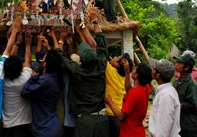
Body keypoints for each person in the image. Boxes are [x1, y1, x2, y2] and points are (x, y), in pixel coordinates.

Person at [56, 9, 109, 137]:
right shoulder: (101, 66)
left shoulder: (77, 71)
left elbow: (60, 57)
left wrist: (61, 39)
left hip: (84, 121)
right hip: (102, 119)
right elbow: (102, 44)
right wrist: (95, 21)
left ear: (81, 60)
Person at [21, 46, 63, 137]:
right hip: (52, 125)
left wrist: (33, 77)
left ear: (44, 64)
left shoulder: (45, 80)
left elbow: (24, 92)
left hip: (44, 129)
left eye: (43, 59)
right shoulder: (55, 77)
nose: (42, 60)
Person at [105, 61, 152, 137]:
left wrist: (109, 102)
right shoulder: (145, 88)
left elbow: (121, 117)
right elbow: (129, 90)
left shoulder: (134, 93)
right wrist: (127, 71)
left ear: (136, 75)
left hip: (130, 133)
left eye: (135, 69)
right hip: (138, 132)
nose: (133, 69)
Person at [2, 31, 33, 136]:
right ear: (21, 69)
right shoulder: (24, 80)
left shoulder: (2, 81)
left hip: (7, 126)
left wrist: (17, 42)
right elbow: (28, 60)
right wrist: (28, 44)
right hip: (24, 125)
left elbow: (8, 60)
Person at [174, 50, 197, 136]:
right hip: (179, 122)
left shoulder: (192, 84)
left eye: (179, 63)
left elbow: (193, 105)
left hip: (188, 124)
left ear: (186, 67)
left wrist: (178, 105)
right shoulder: (176, 82)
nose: (176, 65)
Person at [148, 58, 181, 137]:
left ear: (158, 75)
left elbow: (163, 128)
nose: (151, 70)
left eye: (154, 69)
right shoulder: (167, 91)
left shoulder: (166, 96)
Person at [105, 53, 133, 137]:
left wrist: (111, 62)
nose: (114, 57)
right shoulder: (126, 78)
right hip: (118, 114)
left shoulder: (109, 70)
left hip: (109, 114)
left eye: (117, 58)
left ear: (117, 64)